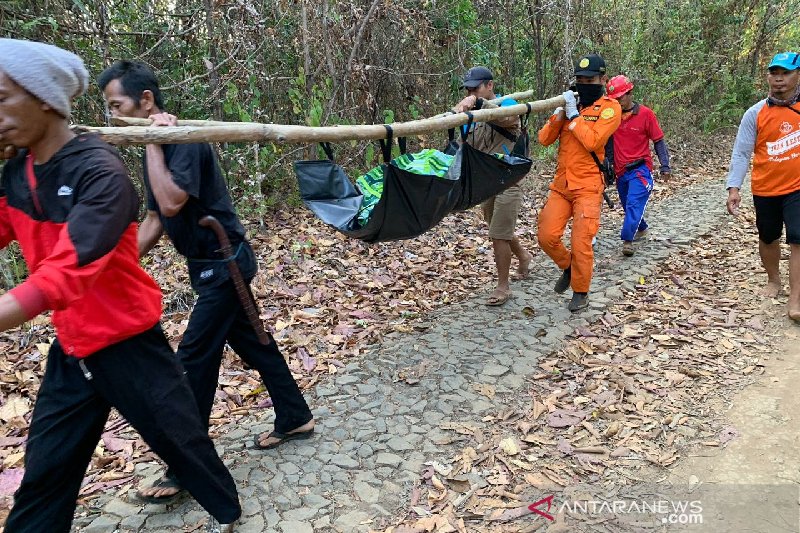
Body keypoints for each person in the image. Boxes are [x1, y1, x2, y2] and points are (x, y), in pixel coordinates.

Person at [0, 39, 240, 533]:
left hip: (128, 341)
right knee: (47, 468)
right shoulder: (17, 171)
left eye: (1, 97)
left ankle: (230, 513)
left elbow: (66, 270)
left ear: (44, 97)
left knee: (180, 439)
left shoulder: (102, 173)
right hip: (73, 346)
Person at [98, 61, 314, 503]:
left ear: (146, 101)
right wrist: (111, 266)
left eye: (116, 106)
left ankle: (183, 468)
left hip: (225, 263)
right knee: (255, 342)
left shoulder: (182, 140)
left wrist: (156, 144)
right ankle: (295, 416)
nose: (112, 117)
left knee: (194, 357)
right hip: (207, 265)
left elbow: (174, 202)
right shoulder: (153, 146)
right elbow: (155, 219)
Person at [537, 53, 621, 311]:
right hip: (562, 185)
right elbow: (544, 139)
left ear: (602, 79)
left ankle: (581, 291)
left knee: (581, 242)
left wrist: (575, 118)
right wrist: (560, 114)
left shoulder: (610, 108)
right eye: (580, 79)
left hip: (588, 186)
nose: (584, 83)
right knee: (546, 236)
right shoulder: (570, 105)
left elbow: (594, 141)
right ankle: (568, 266)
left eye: (590, 79)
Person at [726, 51, 800, 319]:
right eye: (774, 73)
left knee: (798, 238)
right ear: (768, 77)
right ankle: (773, 278)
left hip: (797, 187)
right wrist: (734, 188)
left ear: (797, 75)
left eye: (786, 73)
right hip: (766, 188)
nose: (779, 79)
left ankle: (796, 299)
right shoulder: (755, 113)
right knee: (769, 237)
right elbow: (741, 153)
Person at [452, 66, 534, 306]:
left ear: (489, 86)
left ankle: (503, 286)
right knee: (499, 228)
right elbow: (463, 145)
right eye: (468, 89)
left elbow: (506, 117)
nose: (470, 92)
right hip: (486, 182)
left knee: (498, 234)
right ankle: (523, 255)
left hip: (510, 179)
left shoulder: (507, 105)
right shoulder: (471, 118)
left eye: (475, 88)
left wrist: (477, 103)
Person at [604, 74, 672, 256]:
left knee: (633, 204)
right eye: (614, 99)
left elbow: (658, 140)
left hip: (640, 169)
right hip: (621, 172)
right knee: (628, 205)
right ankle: (641, 227)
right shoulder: (611, 116)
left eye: (621, 98)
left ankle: (627, 239)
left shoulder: (646, 114)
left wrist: (665, 165)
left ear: (630, 93)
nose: (618, 102)